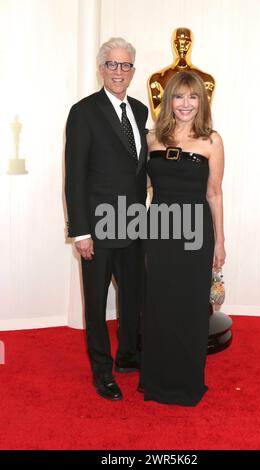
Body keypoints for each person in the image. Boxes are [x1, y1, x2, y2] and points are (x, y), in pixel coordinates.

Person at [65, 37, 148, 401]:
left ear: (133, 70)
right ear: (102, 69)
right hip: (96, 229)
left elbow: (138, 164)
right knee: (96, 304)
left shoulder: (143, 111)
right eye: (112, 65)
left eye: (125, 65)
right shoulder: (83, 112)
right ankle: (102, 371)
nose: (119, 71)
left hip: (135, 224)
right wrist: (81, 231)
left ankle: (129, 356)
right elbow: (75, 176)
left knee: (133, 297)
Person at [140, 71, 225, 406]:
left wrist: (219, 241)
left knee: (190, 307)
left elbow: (215, 194)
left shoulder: (211, 140)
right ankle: (157, 381)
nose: (186, 104)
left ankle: (186, 383)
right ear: (168, 100)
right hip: (159, 230)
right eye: (179, 96)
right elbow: (144, 187)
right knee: (159, 304)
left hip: (194, 233)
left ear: (201, 102)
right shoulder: (152, 140)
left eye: (193, 97)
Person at [148, 27, 215, 119]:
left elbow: (203, 115)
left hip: (198, 132)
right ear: (173, 44)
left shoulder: (207, 79)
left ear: (192, 44)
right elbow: (158, 116)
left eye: (186, 41)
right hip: (167, 132)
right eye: (177, 42)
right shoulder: (157, 79)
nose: (182, 45)